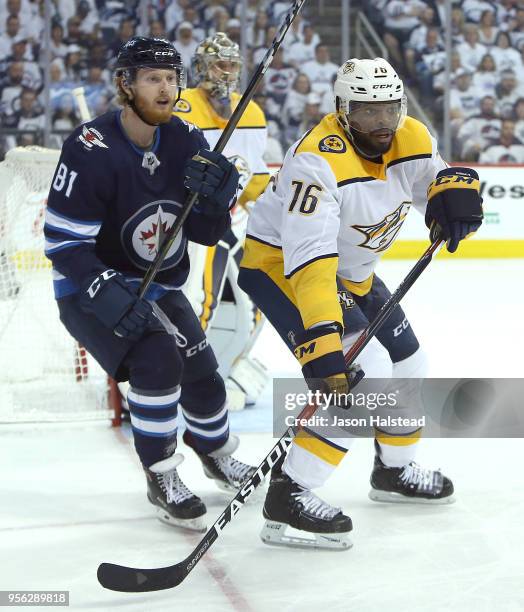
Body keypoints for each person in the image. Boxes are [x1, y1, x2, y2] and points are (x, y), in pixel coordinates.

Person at [238, 57, 483, 549]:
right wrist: (324, 341)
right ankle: (291, 492)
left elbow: (435, 186)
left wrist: (456, 199)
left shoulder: (412, 136)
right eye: (366, 111)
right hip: (282, 268)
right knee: (360, 371)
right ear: (342, 110)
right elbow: (309, 260)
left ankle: (394, 471)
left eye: (389, 109)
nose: (381, 122)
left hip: (354, 272)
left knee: (410, 361)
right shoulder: (316, 162)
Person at [43, 37, 257, 533]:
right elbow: (62, 242)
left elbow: (205, 232)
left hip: (157, 284)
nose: (165, 89)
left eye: (171, 78)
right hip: (87, 287)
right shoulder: (89, 147)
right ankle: (160, 474)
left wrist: (215, 201)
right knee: (157, 359)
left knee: (203, 373)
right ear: (126, 84)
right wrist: (102, 287)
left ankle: (215, 453)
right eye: (152, 79)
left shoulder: (185, 139)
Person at [172, 32, 271, 411]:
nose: (227, 73)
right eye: (219, 64)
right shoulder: (183, 108)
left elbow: (255, 178)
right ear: (200, 69)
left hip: (236, 221)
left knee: (262, 295)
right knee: (199, 296)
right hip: (192, 222)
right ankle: (179, 375)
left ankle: (232, 365)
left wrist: (270, 206)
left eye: (232, 65)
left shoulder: (253, 112)